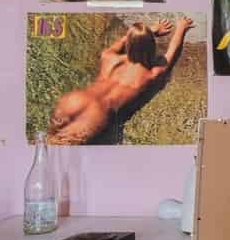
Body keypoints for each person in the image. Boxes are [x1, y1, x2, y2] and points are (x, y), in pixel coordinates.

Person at [46, 17, 195, 145]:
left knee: (51, 141)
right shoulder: (152, 74)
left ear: (129, 44)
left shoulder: (109, 57)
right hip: (101, 114)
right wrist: (181, 27)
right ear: (152, 47)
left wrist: (150, 30)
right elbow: (172, 53)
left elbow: (123, 40)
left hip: (76, 99)